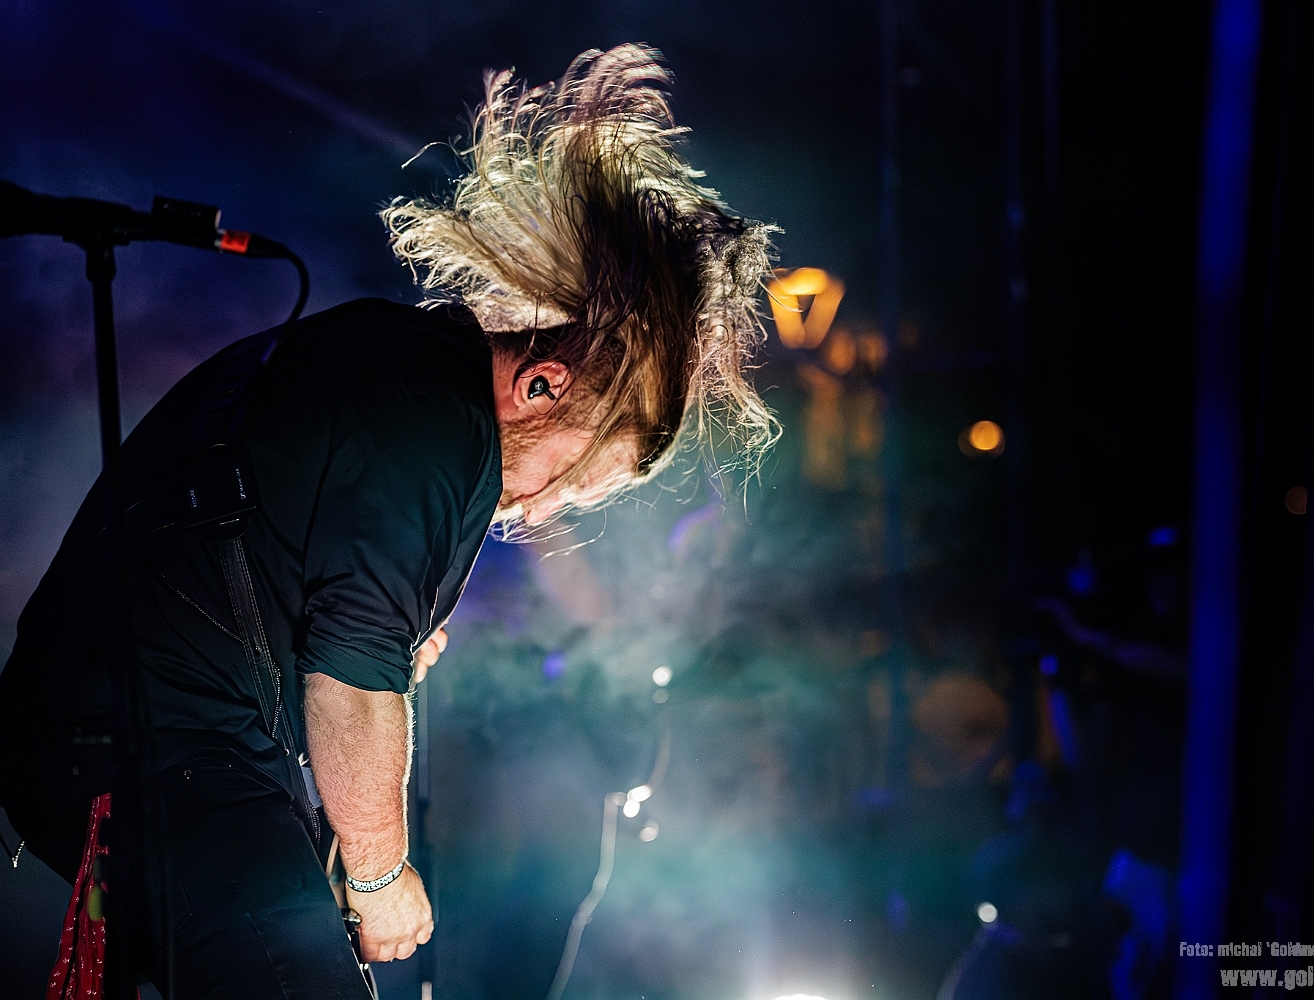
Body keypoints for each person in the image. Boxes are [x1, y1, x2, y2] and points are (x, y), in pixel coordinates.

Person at [0, 43, 775, 997]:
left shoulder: (399, 368)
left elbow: (302, 594)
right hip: (159, 748)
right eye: (571, 478)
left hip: (111, 733)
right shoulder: (437, 419)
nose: (544, 506)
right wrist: (378, 874)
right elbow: (353, 675)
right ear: (541, 385)